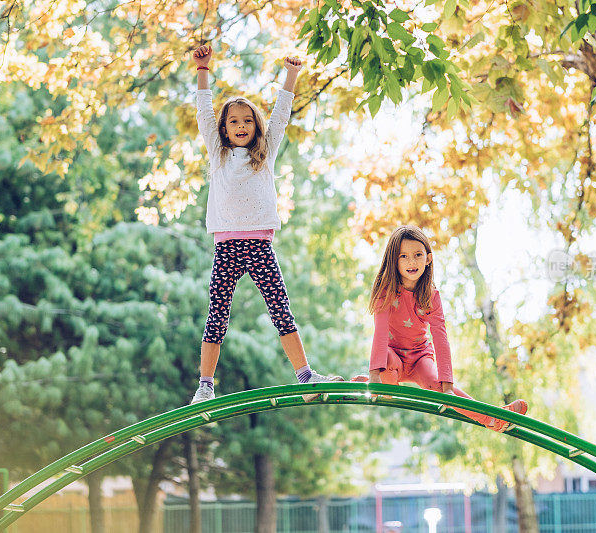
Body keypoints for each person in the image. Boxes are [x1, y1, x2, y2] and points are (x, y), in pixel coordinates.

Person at [190, 44, 341, 404]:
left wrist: (291, 75)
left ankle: (305, 377)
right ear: (224, 129)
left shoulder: (266, 152)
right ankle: (205, 386)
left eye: (247, 120)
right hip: (226, 247)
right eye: (233, 121)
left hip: (260, 246)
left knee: (281, 311)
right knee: (217, 315)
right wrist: (203, 69)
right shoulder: (218, 154)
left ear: (255, 125)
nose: (240, 126)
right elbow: (203, 114)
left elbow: (281, 116)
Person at [353, 225, 528, 431]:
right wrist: (374, 375)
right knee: (387, 374)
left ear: (428, 258)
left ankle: (492, 418)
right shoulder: (386, 291)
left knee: (440, 388)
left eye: (418, 255)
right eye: (404, 256)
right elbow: (380, 333)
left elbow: (441, 339)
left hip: (419, 358)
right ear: (394, 261)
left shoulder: (431, 296)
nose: (412, 262)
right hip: (393, 359)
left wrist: (447, 386)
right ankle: (380, 384)